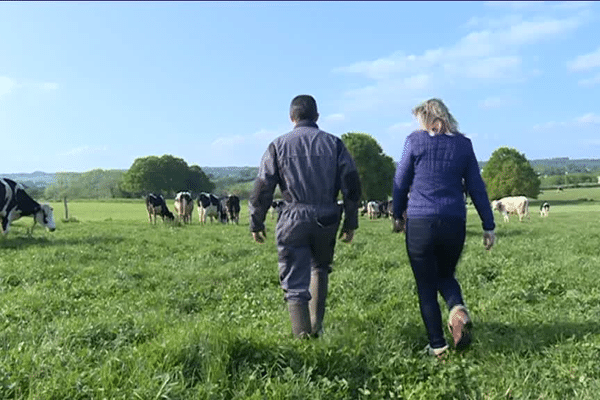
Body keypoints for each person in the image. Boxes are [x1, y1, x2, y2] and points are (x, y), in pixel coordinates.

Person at [249, 94, 361, 339]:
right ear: (317, 117)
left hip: (293, 217)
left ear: (292, 117)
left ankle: (302, 338)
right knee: (319, 268)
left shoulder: (278, 145)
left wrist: (256, 222)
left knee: (294, 279)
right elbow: (352, 184)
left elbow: (262, 186)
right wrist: (351, 221)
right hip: (327, 216)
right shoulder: (334, 144)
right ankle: (315, 326)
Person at [392, 98, 496, 357]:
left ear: (425, 119)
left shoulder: (414, 141)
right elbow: (476, 187)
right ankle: (457, 309)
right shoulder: (464, 145)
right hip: (454, 221)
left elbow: (400, 181)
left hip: (420, 222)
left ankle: (437, 345)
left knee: (426, 284)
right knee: (445, 275)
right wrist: (488, 225)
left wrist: (396, 215)